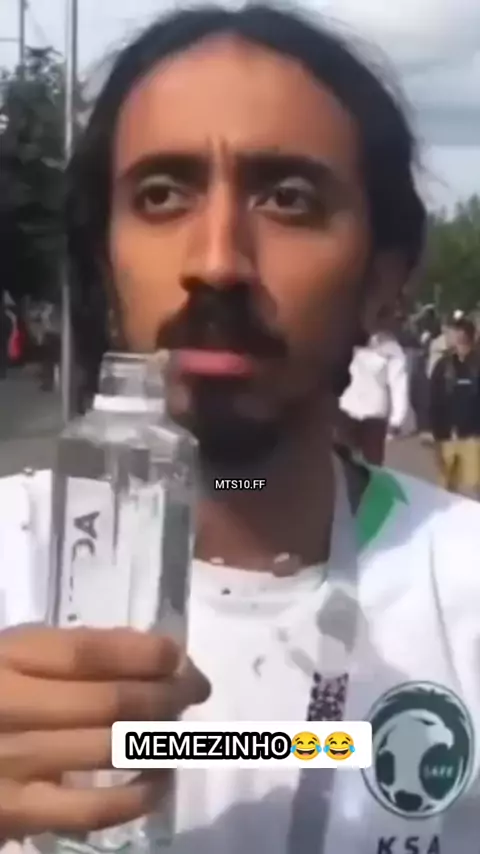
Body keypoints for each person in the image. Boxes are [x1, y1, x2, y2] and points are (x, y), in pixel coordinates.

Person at [1, 6, 480, 853]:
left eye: (288, 199)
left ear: (384, 282)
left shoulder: (463, 590)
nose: (216, 260)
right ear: (107, 264)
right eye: (161, 194)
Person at [338, 319, 413, 465]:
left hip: (374, 415)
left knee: (372, 466)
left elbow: (398, 385)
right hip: (345, 410)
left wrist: (396, 420)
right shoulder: (343, 339)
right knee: (342, 464)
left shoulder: (391, 348)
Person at [429, 317, 480, 497]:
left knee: (475, 486)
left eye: (463, 339)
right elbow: (433, 399)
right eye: (456, 338)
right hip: (446, 436)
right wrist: (433, 432)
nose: (459, 344)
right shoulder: (442, 366)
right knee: (446, 488)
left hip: (474, 437)